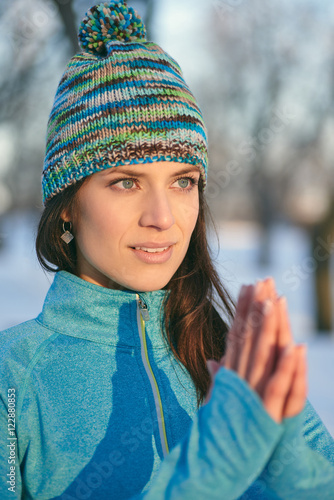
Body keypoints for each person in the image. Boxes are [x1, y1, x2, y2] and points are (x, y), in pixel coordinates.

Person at [0, 1, 333, 498]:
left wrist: (290, 464)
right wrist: (205, 476)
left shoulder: (233, 358)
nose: (162, 217)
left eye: (182, 181)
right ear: (67, 205)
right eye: (126, 182)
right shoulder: (15, 377)